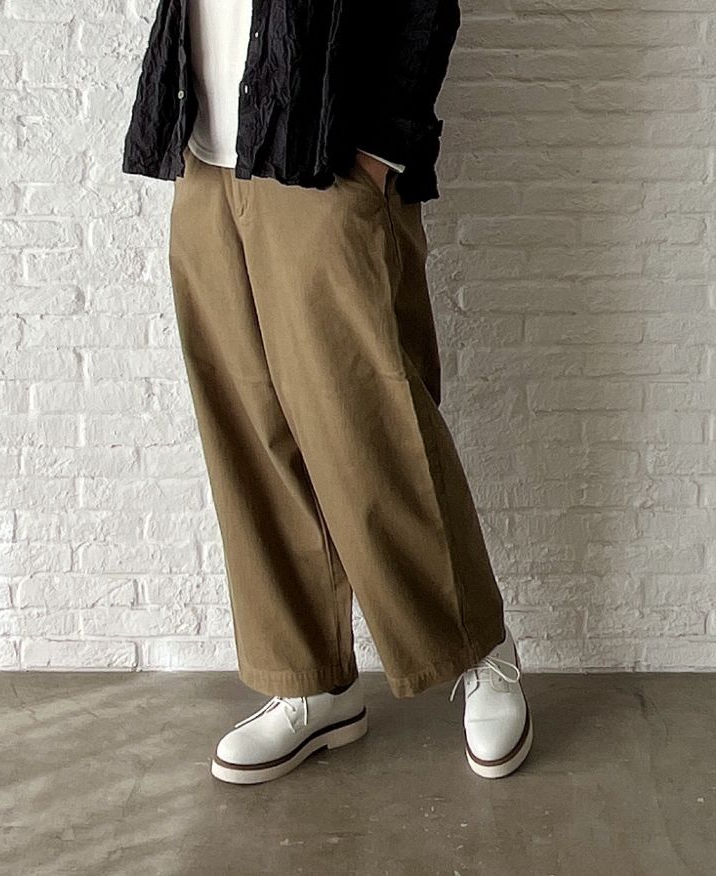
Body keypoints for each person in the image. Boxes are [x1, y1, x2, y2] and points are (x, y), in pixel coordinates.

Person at [120, 0, 532, 782]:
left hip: (328, 155)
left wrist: (379, 152)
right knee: (250, 433)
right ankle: (310, 681)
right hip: (207, 160)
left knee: (370, 427)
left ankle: (480, 648)